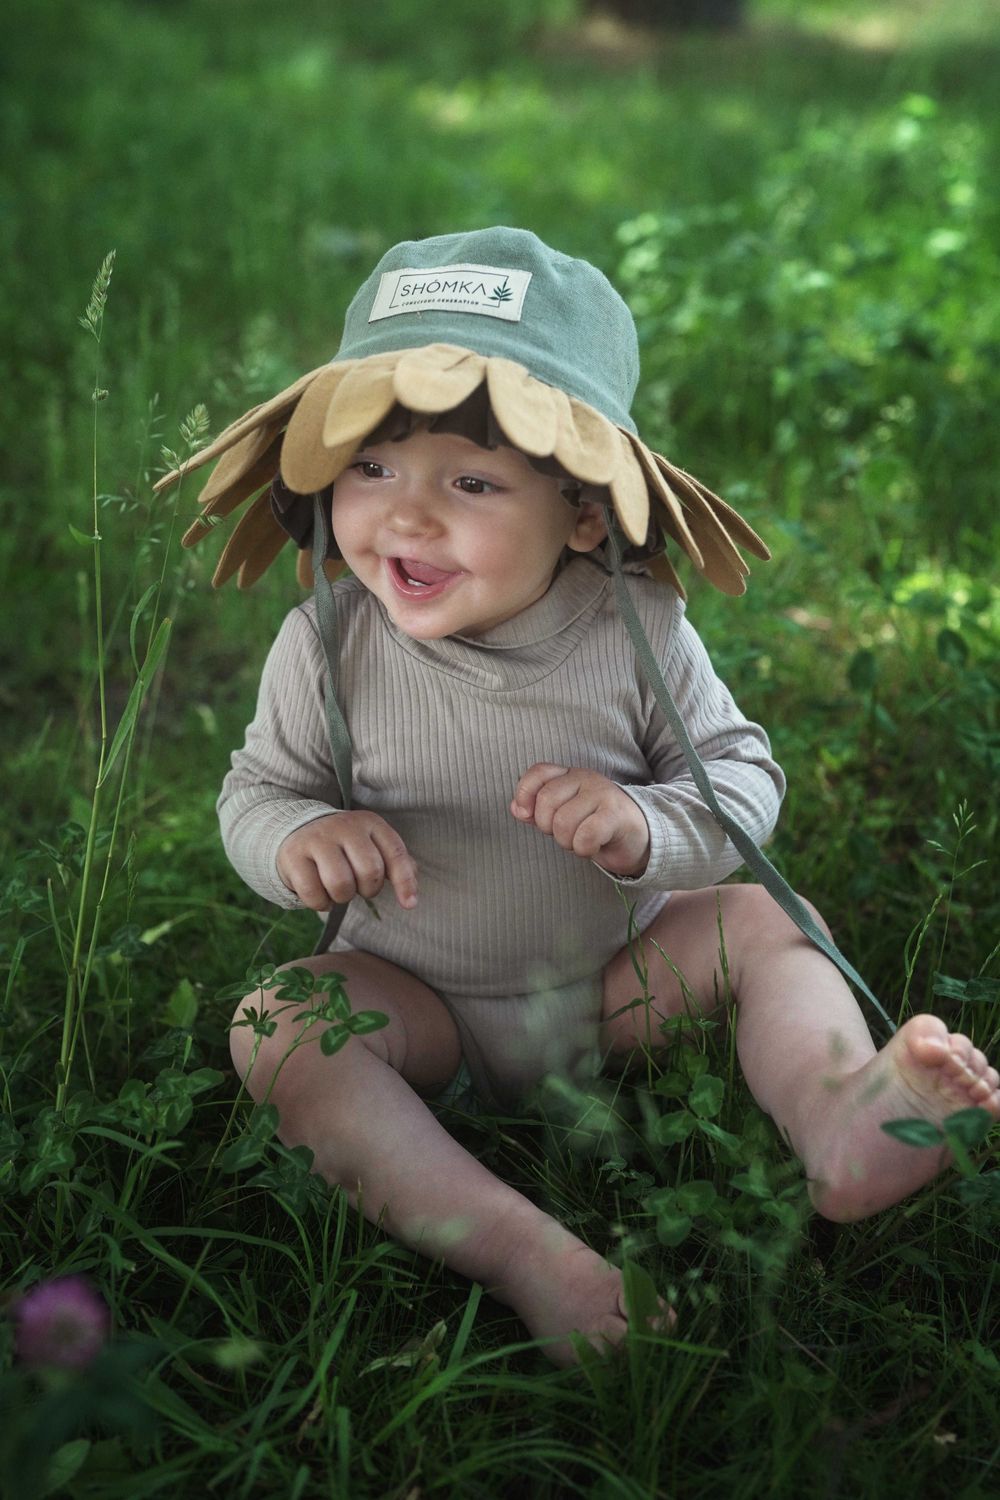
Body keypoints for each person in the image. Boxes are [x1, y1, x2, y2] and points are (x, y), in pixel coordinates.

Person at [159, 228, 999, 1366]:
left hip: (613, 982)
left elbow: (744, 780)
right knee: (279, 1024)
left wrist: (645, 825)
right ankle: (523, 1252)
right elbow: (255, 790)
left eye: (469, 481)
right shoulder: (325, 643)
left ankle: (840, 1112)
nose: (405, 516)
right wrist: (298, 835)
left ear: (586, 514)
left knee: (766, 923)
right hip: (413, 1001)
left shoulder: (639, 631)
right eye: (371, 467)